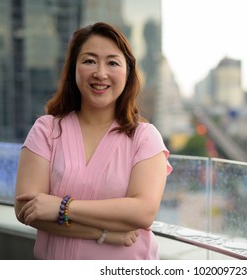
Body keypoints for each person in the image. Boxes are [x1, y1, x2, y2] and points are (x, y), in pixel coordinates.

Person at [14, 22, 172, 260]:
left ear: (128, 72)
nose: (100, 73)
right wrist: (105, 233)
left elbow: (142, 213)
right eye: (89, 61)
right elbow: (28, 211)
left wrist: (61, 207)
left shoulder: (144, 137)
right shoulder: (46, 130)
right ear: (73, 69)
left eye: (112, 62)